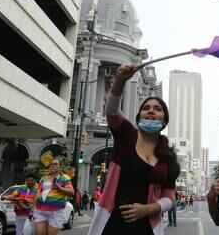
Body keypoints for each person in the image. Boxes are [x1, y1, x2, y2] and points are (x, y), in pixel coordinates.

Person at [87, 63, 180, 235]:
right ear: (138, 118)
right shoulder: (127, 135)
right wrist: (121, 80)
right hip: (112, 222)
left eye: (157, 109)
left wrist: (148, 209)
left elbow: (169, 196)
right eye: (146, 108)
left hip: (147, 227)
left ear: (164, 120)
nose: (151, 111)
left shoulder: (169, 158)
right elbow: (112, 111)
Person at [34, 158, 74, 235]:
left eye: (55, 164)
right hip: (40, 211)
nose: (52, 166)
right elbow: (37, 194)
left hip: (55, 211)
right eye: (51, 164)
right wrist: (33, 210)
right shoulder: (43, 178)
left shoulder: (65, 178)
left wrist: (60, 188)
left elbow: (72, 192)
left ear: (60, 167)